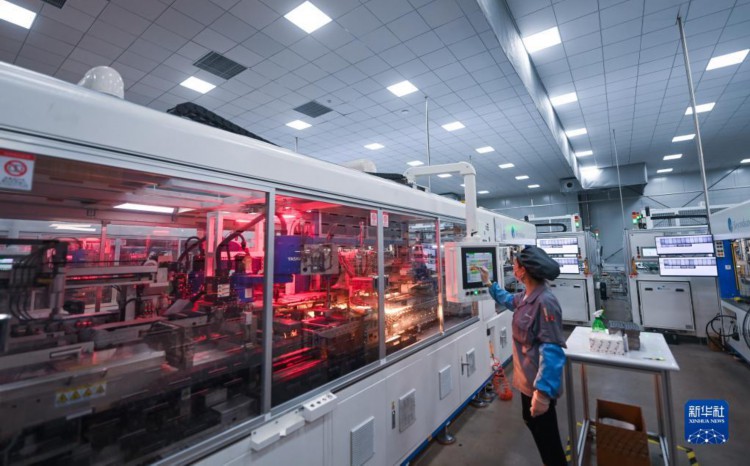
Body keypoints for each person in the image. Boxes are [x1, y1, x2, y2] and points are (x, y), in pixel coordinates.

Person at [480, 246, 567, 466]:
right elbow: (509, 300)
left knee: (548, 442)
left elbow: (552, 350)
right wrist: (489, 283)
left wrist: (543, 394)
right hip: (527, 382)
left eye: (516, 265)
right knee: (532, 423)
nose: (513, 269)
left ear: (523, 271)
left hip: (538, 385)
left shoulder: (545, 302)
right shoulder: (527, 296)